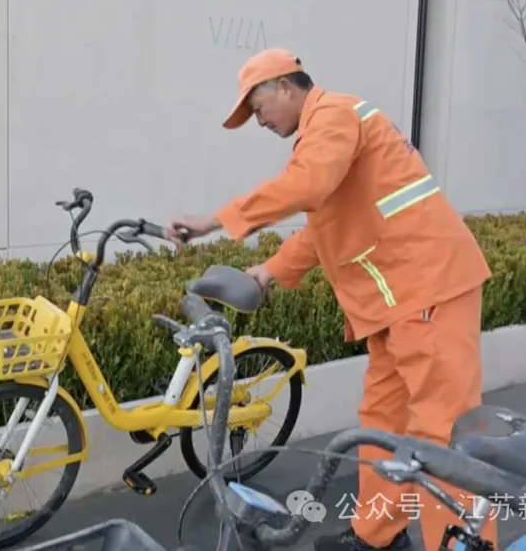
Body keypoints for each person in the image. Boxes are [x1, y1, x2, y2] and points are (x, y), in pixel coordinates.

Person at [164, 48, 496, 551]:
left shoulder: (335, 115)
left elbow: (306, 186)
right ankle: (378, 536)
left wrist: (214, 220)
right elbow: (325, 226)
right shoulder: (326, 134)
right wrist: (269, 272)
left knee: (443, 434)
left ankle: (462, 546)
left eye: (258, 108)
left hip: (428, 291)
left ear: (285, 86)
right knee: (381, 424)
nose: (259, 121)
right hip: (395, 305)